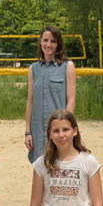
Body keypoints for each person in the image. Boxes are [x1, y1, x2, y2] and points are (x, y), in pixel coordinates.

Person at [24, 25, 76, 163]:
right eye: (46, 40)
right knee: (39, 173)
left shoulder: (67, 66)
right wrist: (28, 131)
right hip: (37, 131)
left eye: (53, 41)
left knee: (59, 168)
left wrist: (65, 128)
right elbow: (30, 102)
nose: (49, 44)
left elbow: (71, 100)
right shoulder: (33, 69)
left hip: (59, 131)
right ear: (40, 42)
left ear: (58, 44)